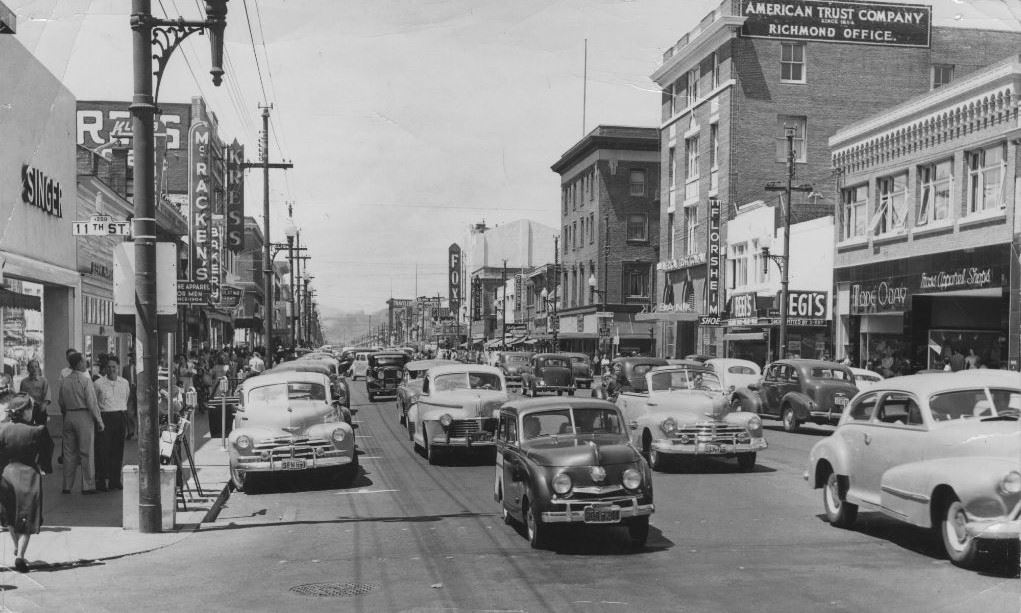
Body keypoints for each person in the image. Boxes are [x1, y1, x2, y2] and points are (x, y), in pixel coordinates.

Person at [0, 394, 51, 573]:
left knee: (10, 515)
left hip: (7, 474)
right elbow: (47, 450)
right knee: (28, 516)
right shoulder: (38, 430)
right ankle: (20, 555)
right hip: (29, 475)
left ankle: (15, 546)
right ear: (25, 411)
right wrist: (44, 467)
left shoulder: (2, 429)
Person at [57, 352, 103, 495]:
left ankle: (67, 486)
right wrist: (99, 420)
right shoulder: (85, 381)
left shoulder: (65, 381)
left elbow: (61, 401)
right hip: (84, 415)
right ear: (78, 364)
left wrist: (66, 412)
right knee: (86, 452)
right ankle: (88, 485)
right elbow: (92, 403)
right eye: (83, 361)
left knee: (68, 453)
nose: (85, 364)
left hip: (69, 415)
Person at [93, 356, 129, 492]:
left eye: (114, 367)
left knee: (118, 450)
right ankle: (101, 481)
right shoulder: (98, 383)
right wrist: (99, 420)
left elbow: (126, 397)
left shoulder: (124, 383)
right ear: (105, 368)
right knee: (103, 450)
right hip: (105, 417)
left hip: (120, 416)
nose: (111, 369)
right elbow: (95, 402)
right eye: (109, 367)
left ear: (118, 367)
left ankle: (115, 480)